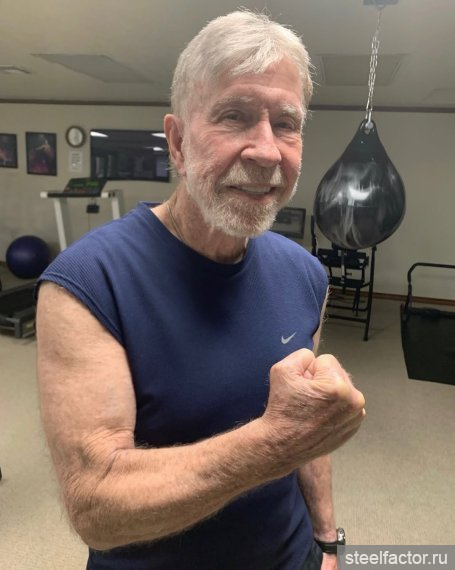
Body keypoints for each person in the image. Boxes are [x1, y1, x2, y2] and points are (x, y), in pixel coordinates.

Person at [36, 10, 365, 570]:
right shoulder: (87, 282)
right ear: (178, 142)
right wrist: (272, 443)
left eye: (286, 124)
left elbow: (305, 430)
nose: (267, 152)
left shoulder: (305, 273)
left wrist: (327, 539)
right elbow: (95, 507)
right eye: (235, 116)